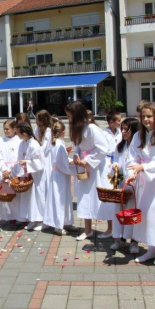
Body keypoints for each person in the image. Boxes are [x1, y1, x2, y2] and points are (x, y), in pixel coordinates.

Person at [125, 103, 155, 266]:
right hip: (143, 179)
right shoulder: (139, 135)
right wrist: (132, 174)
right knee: (146, 215)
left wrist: (143, 167)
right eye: (143, 116)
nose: (146, 119)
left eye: (149, 116)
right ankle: (151, 249)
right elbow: (132, 157)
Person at [66, 101, 112, 241]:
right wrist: (76, 156)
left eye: (69, 115)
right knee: (85, 196)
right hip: (84, 167)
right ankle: (87, 229)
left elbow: (103, 148)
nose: (68, 118)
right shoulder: (77, 129)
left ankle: (110, 228)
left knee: (102, 196)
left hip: (97, 168)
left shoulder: (92, 128)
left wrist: (88, 160)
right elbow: (79, 147)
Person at [110, 118, 140, 253]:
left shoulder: (139, 147)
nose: (122, 131)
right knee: (120, 210)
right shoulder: (120, 146)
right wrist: (115, 167)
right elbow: (115, 161)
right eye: (122, 128)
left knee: (132, 211)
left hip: (134, 183)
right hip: (121, 183)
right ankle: (119, 239)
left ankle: (134, 241)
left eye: (126, 129)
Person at [42, 121, 75, 235]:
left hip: (58, 174)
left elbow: (60, 159)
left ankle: (66, 222)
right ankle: (58, 225)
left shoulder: (56, 143)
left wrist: (68, 159)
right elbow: (62, 164)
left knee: (64, 198)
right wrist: (73, 168)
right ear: (64, 132)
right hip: (60, 175)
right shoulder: (59, 144)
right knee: (60, 199)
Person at [12, 122, 44, 230]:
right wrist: (20, 174)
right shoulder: (22, 143)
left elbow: (38, 162)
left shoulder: (34, 144)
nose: (17, 135)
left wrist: (27, 163)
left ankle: (40, 219)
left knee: (37, 197)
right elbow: (19, 157)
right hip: (26, 174)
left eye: (18, 133)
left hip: (35, 175)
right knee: (28, 198)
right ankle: (31, 218)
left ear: (24, 133)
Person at [0, 120, 22, 228]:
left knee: (19, 195)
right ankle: (11, 217)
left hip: (16, 170)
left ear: (14, 129)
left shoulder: (20, 141)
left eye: (8, 129)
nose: (5, 131)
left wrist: (12, 170)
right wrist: (4, 170)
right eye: (4, 129)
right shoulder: (1, 141)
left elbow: (21, 157)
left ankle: (21, 217)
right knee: (8, 194)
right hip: (5, 170)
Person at [34, 110, 53, 199]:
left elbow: (45, 147)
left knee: (45, 179)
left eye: (37, 119)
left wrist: (37, 149)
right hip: (38, 156)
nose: (36, 121)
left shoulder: (48, 131)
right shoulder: (37, 129)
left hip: (46, 158)